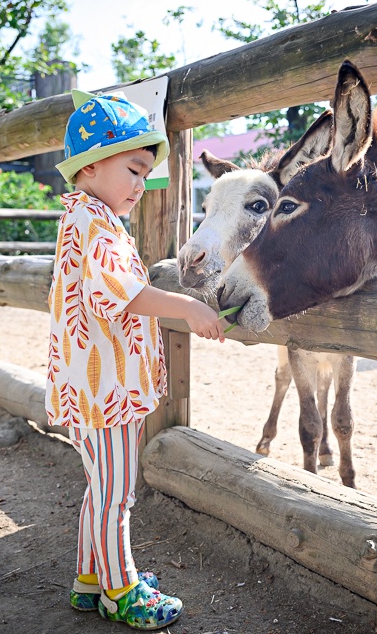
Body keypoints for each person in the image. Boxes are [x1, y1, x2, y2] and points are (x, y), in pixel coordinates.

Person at [47, 89, 225, 629]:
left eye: (145, 174)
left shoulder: (87, 218)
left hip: (94, 386)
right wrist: (187, 306)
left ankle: (91, 579)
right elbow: (122, 294)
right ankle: (121, 591)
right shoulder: (94, 223)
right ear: (90, 165)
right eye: (132, 170)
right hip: (106, 390)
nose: (140, 185)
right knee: (117, 495)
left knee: (101, 488)